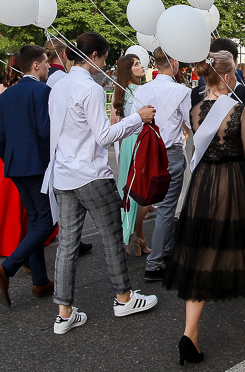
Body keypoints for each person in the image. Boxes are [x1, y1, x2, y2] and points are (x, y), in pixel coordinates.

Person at [47, 33, 158, 335]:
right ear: (94, 56)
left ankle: (64, 312)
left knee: (67, 244)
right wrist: (138, 118)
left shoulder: (58, 86)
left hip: (64, 175)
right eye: (105, 57)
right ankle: (124, 298)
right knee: (111, 236)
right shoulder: (91, 88)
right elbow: (104, 135)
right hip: (91, 174)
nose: (105, 64)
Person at [164, 51, 245, 365]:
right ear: (226, 76)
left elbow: (205, 145)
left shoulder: (196, 110)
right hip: (234, 182)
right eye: (235, 72)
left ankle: (190, 333)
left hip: (204, 182)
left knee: (203, 248)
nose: (237, 77)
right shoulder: (240, 110)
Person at [0, 46, 58, 309]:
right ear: (36, 65)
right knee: (46, 222)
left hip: (15, 165)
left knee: (35, 221)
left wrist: (11, 159)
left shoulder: (6, 95)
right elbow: (45, 131)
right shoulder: (41, 91)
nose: (48, 66)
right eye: (46, 62)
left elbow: (1, 138)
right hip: (37, 165)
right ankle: (7, 268)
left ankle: (40, 281)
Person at [139, 47, 193, 282]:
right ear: (174, 62)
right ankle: (154, 263)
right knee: (167, 207)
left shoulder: (142, 89)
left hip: (147, 153)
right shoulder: (181, 91)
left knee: (163, 205)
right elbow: (191, 122)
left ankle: (167, 250)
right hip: (170, 152)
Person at [110, 53, 151, 255]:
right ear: (128, 70)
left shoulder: (119, 92)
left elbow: (114, 124)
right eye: (136, 64)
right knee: (144, 193)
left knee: (129, 190)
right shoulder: (141, 91)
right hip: (140, 141)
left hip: (125, 142)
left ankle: (138, 239)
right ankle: (127, 236)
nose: (141, 66)